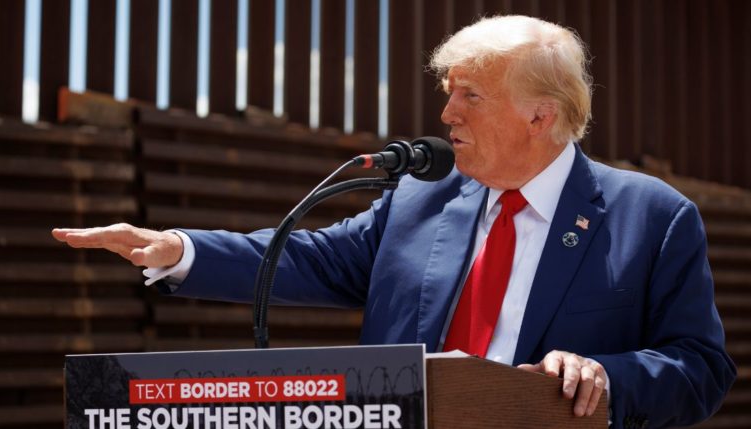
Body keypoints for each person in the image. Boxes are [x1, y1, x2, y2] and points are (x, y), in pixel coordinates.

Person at [53, 15, 735, 428]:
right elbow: (312, 259)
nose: (447, 116)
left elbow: (699, 368)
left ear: (540, 114)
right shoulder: (420, 199)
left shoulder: (652, 216)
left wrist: (607, 376)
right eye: (448, 94)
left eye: (471, 95)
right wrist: (174, 248)